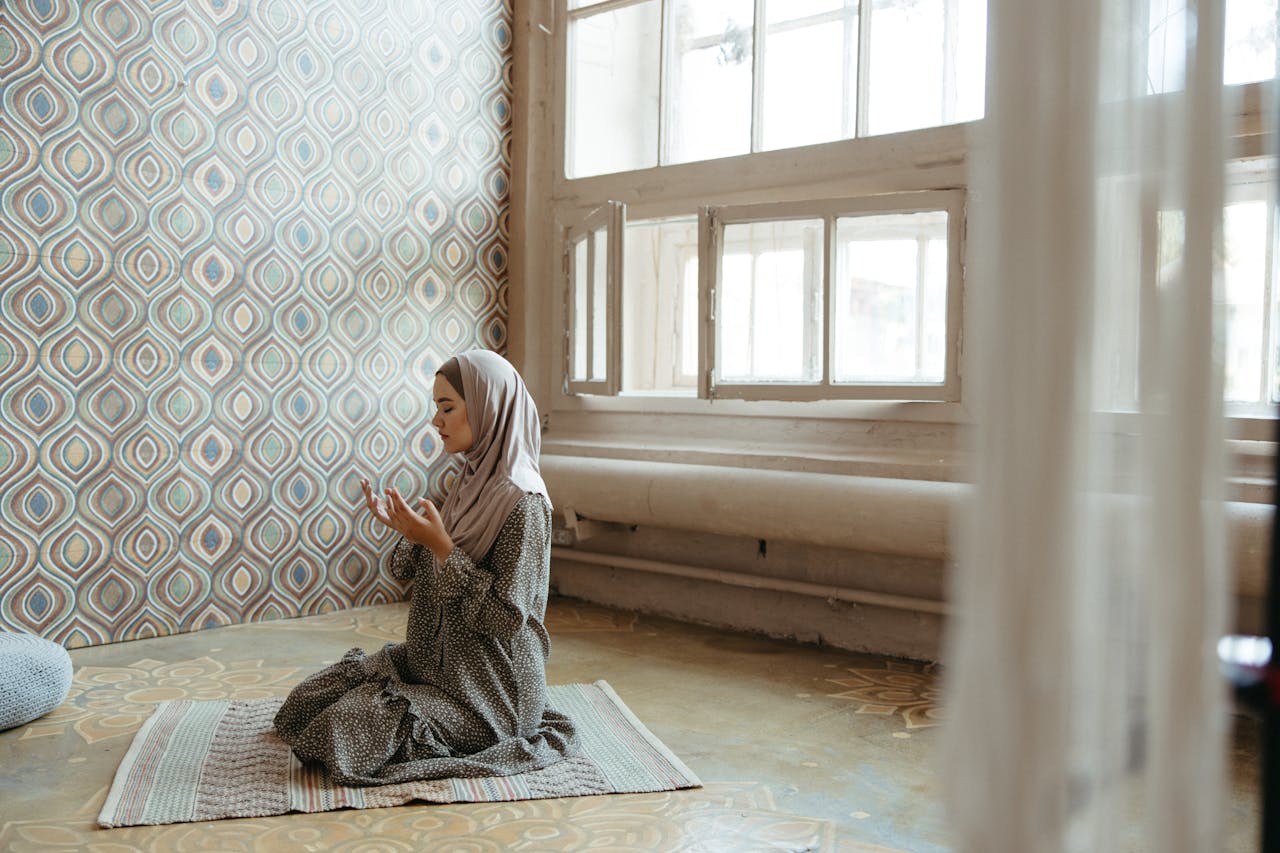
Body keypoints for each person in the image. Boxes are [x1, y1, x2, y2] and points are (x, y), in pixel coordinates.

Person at [273, 349, 577, 785]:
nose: (436, 422)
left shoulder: (523, 504)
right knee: (305, 703)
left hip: (488, 694)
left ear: (488, 406)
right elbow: (404, 569)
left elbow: (505, 618)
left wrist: (438, 545)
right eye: (437, 408)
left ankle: (453, 721)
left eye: (447, 408)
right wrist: (412, 533)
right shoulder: (470, 482)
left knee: (339, 732)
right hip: (435, 667)